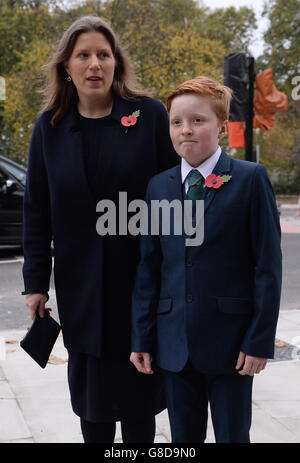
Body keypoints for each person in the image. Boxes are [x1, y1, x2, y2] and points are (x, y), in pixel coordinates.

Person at [22, 15, 178, 443]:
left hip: (142, 283)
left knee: (140, 401)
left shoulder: (147, 116)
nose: (95, 64)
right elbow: (37, 211)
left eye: (103, 55)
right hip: (81, 288)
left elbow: (173, 197)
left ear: (116, 64)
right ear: (67, 68)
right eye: (84, 55)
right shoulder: (49, 128)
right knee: (92, 402)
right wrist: (35, 283)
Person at [130, 76, 282, 443]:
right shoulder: (158, 187)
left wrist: (259, 341)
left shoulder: (249, 179)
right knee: (184, 439)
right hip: (174, 345)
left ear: (221, 127)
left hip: (232, 346)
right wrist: (142, 337)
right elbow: (149, 267)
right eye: (176, 122)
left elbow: (267, 267)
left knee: (233, 436)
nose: (186, 130)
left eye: (198, 120)